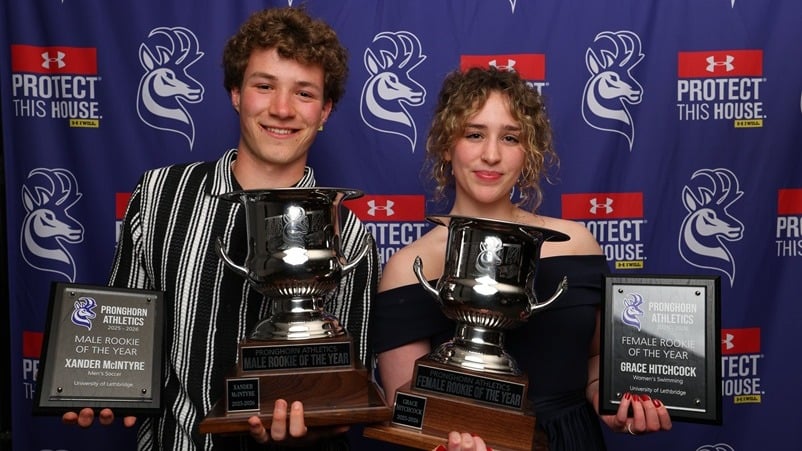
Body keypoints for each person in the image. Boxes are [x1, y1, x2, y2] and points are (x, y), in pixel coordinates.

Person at [61, 6, 379, 451]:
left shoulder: (350, 234)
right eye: (264, 86)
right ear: (235, 92)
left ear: (325, 110)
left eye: (304, 94)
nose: (282, 109)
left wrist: (321, 420)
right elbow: (124, 331)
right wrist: (97, 384)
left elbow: (350, 381)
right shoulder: (159, 196)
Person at [371, 67, 671, 451]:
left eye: (510, 138)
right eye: (474, 134)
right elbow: (406, 408)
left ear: (528, 151)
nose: (491, 155)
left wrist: (612, 401)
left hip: (572, 439)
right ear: (447, 145)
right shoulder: (409, 267)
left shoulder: (576, 244)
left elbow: (597, 359)